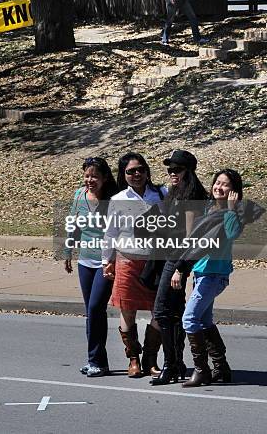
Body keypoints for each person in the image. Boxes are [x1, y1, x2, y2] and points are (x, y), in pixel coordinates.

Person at [172, 169, 244, 387]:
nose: (219, 187)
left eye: (225, 185)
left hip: (215, 276)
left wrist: (231, 209)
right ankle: (221, 368)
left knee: (189, 319)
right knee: (203, 320)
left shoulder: (235, 213)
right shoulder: (207, 208)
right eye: (217, 183)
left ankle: (202, 370)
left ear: (234, 192)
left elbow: (233, 234)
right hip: (201, 273)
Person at [102, 153, 168, 378]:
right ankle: (134, 358)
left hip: (155, 262)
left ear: (147, 171)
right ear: (124, 175)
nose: (136, 174)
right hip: (127, 261)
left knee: (158, 312)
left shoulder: (161, 194)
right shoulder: (118, 199)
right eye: (130, 171)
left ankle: (151, 358)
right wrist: (107, 261)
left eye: (140, 169)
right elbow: (111, 232)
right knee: (127, 311)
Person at [151, 150, 207, 386]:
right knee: (173, 313)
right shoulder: (174, 193)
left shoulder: (192, 196)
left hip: (178, 260)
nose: (172, 173)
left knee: (163, 311)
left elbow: (192, 237)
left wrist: (180, 269)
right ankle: (176, 364)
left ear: (188, 171)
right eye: (170, 169)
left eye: (177, 169)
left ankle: (170, 365)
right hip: (169, 256)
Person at [64, 156, 118, 377]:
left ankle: (97, 360)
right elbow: (73, 225)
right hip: (85, 261)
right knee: (91, 312)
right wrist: (68, 252)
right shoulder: (79, 195)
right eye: (87, 175)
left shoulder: (114, 199)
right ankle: (96, 361)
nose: (90, 180)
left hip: (106, 262)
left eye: (94, 176)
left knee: (96, 308)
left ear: (104, 178)